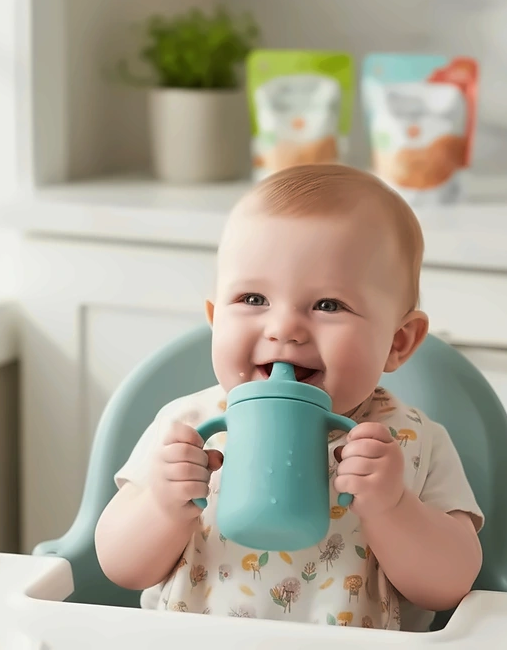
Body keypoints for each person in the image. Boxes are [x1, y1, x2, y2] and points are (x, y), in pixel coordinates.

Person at [95, 164, 483, 630]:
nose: (283, 329)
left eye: (328, 305)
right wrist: (161, 505)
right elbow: (119, 568)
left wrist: (394, 509)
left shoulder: (411, 442)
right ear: (216, 319)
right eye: (253, 299)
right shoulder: (187, 426)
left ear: (398, 341)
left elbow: (450, 586)